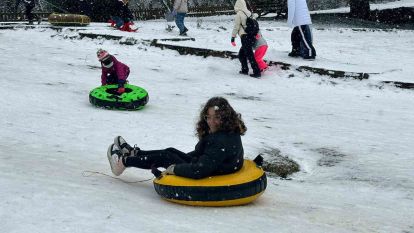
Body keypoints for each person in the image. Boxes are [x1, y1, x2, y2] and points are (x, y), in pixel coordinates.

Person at [107, 97, 247, 179]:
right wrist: (178, 157)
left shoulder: (221, 141)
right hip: (214, 166)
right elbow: (202, 155)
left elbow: (200, 170)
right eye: (208, 117)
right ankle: (135, 153)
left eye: (217, 117)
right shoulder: (226, 131)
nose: (211, 122)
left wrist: (175, 169)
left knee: (165, 156)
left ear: (225, 117)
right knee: (170, 151)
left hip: (211, 172)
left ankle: (123, 162)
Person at [231, 0, 261, 78]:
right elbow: (255, 19)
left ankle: (257, 72)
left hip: (245, 37)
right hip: (251, 36)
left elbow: (236, 27)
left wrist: (233, 37)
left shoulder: (239, 14)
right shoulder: (248, 13)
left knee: (250, 55)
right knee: (241, 54)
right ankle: (245, 70)